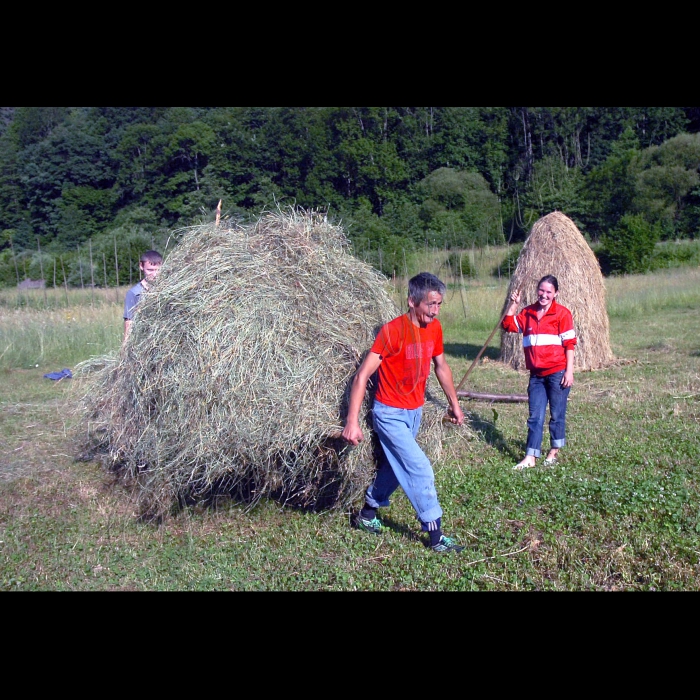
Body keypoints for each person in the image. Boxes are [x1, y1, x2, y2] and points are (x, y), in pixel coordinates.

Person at [342, 272, 466, 553]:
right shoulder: (392, 331)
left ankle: (367, 513)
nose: (435, 311)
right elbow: (362, 376)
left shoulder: (434, 329)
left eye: (439, 305)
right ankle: (436, 536)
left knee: (396, 468)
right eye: (430, 305)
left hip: (415, 411)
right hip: (389, 413)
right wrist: (352, 421)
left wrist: (454, 404)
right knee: (419, 468)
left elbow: (441, 367)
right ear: (412, 301)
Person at [502, 274, 577, 470]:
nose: (544, 295)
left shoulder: (562, 314)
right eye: (541, 291)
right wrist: (514, 305)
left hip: (557, 373)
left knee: (557, 413)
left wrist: (569, 372)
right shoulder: (527, 313)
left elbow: (569, 344)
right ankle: (530, 457)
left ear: (556, 293)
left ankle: (554, 451)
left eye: (548, 292)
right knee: (535, 416)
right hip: (536, 375)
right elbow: (508, 325)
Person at [123, 250, 163, 341]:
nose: (155, 274)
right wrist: (125, 347)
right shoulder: (134, 293)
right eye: (150, 270)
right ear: (141, 266)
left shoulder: (167, 289)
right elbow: (129, 322)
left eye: (158, 270)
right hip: (144, 341)